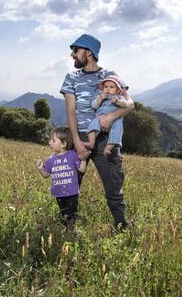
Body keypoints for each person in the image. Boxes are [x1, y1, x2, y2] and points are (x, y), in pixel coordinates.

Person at [60, 34, 134, 230]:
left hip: (107, 140)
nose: (72, 54)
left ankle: (121, 228)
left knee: (113, 187)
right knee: (69, 185)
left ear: (89, 52)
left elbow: (130, 104)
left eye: (76, 50)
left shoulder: (110, 75)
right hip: (79, 138)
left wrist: (111, 117)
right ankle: (67, 227)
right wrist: (76, 141)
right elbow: (71, 112)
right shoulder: (72, 78)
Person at [36, 127, 87, 227]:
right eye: (50, 140)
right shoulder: (50, 159)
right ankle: (65, 228)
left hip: (72, 193)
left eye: (53, 140)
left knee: (71, 214)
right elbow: (46, 175)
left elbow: (82, 169)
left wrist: (84, 160)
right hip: (58, 194)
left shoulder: (72, 155)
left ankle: (70, 230)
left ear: (63, 144)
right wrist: (40, 168)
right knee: (64, 212)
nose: (50, 142)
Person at [85, 75, 133, 155]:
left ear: (118, 90)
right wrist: (100, 99)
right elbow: (93, 106)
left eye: (111, 87)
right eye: (106, 87)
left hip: (115, 120)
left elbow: (126, 105)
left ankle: (108, 148)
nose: (108, 89)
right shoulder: (101, 97)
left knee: (117, 130)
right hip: (99, 118)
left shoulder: (119, 97)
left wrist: (118, 102)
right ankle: (91, 143)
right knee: (93, 125)